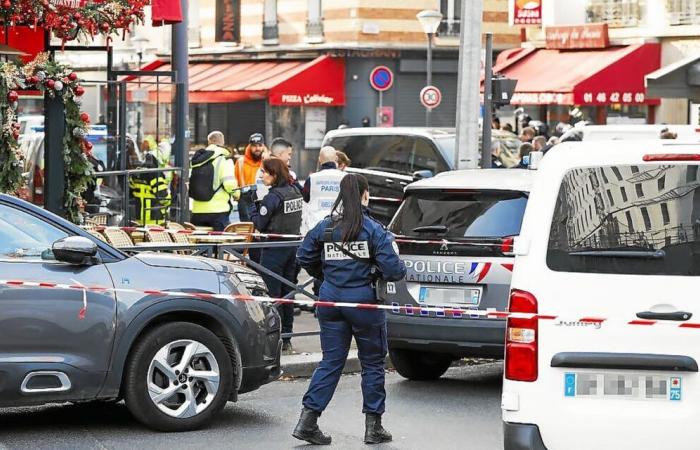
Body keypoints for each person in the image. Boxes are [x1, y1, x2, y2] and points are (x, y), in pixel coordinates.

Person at [293, 174, 406, 446]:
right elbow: (395, 270)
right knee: (372, 363)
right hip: (364, 302)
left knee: (331, 362)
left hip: (330, 300)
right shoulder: (374, 230)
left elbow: (303, 256)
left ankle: (307, 421)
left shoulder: (325, 227)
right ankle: (373, 427)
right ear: (365, 195)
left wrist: (327, 277)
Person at [249, 158, 303, 353]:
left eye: (265, 172)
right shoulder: (295, 191)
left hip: (274, 249)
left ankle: (274, 338)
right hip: (292, 248)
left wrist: (253, 206)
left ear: (275, 174)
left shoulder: (273, 197)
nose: (262, 175)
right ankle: (287, 336)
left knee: (272, 295)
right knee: (288, 293)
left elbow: (260, 223)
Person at [190, 131, 239, 231]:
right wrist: (237, 194)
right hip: (218, 212)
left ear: (209, 143)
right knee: (220, 244)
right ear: (222, 142)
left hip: (197, 211)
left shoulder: (197, 161)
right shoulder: (224, 160)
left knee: (200, 244)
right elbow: (229, 184)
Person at [302, 146, 347, 234]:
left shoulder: (312, 179)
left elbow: (305, 199)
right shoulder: (346, 177)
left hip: (315, 227)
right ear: (336, 158)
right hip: (340, 226)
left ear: (319, 159)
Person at [235, 133, 266, 221]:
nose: (257, 148)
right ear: (249, 146)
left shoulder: (268, 161)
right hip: (245, 200)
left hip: (264, 199)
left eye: (260, 145)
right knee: (246, 230)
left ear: (263, 146)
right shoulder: (240, 162)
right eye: (254, 146)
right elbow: (235, 182)